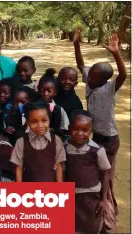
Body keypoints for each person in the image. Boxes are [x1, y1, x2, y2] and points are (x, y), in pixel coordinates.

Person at [73, 28, 127, 217]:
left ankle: (110, 210)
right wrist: (76, 43)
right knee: (98, 173)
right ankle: (103, 203)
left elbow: (123, 75)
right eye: (91, 76)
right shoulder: (90, 80)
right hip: (96, 137)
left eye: (95, 77)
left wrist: (116, 53)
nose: (90, 79)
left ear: (104, 80)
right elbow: (81, 65)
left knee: (108, 177)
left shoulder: (110, 88)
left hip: (109, 139)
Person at [65, 110, 113, 233]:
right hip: (70, 195)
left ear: (91, 131)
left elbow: (105, 174)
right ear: (69, 128)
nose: (80, 133)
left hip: (91, 197)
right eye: (76, 129)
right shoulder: (64, 147)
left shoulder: (97, 150)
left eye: (85, 130)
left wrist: (103, 199)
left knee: (90, 225)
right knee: (71, 225)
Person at [10, 100, 66, 182]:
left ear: (49, 120)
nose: (40, 126)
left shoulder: (56, 141)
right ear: (28, 122)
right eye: (34, 121)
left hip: (51, 192)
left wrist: (60, 190)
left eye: (44, 120)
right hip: (29, 191)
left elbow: (59, 166)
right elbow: (19, 168)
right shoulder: (21, 142)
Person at [38, 68, 70, 140]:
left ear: (55, 92)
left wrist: (53, 130)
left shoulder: (58, 110)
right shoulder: (32, 107)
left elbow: (65, 129)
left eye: (49, 91)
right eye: (43, 90)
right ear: (39, 90)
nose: (45, 94)